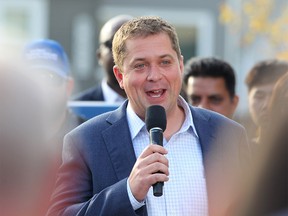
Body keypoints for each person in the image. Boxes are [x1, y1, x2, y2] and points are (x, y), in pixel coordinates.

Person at [47, 16, 250, 216]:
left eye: (164, 62)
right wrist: (128, 193)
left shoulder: (229, 134)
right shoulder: (85, 141)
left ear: (180, 66)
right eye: (140, 65)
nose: (154, 75)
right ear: (120, 76)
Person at [73, 14, 133, 102]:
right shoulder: (77, 109)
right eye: (112, 45)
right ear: (99, 56)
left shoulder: (157, 105)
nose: (121, 53)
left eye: (130, 45)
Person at [245, 59, 288, 146]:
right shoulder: (241, 153)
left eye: (275, 95)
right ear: (248, 99)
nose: (267, 105)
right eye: (259, 96)